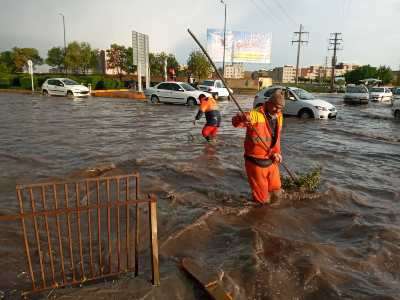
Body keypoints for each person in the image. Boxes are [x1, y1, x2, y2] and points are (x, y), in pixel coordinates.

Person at [232, 91, 285, 204]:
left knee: (277, 191)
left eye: (280, 108)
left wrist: (278, 153)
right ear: (268, 103)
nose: (277, 110)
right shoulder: (255, 114)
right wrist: (241, 118)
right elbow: (235, 123)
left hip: (271, 160)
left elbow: (277, 138)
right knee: (262, 200)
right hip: (256, 162)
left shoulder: (279, 116)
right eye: (275, 107)